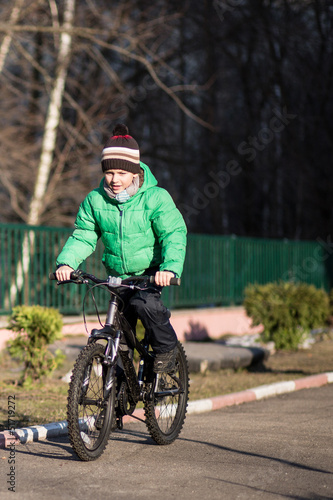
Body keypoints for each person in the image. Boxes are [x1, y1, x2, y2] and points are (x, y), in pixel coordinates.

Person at [55, 123, 187, 373]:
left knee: (144, 305)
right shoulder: (95, 200)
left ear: (135, 172)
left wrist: (169, 268)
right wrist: (67, 263)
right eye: (109, 173)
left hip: (149, 273)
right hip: (117, 277)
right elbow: (84, 235)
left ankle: (167, 348)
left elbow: (174, 234)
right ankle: (114, 397)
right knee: (117, 335)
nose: (115, 179)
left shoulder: (155, 198)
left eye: (121, 174)